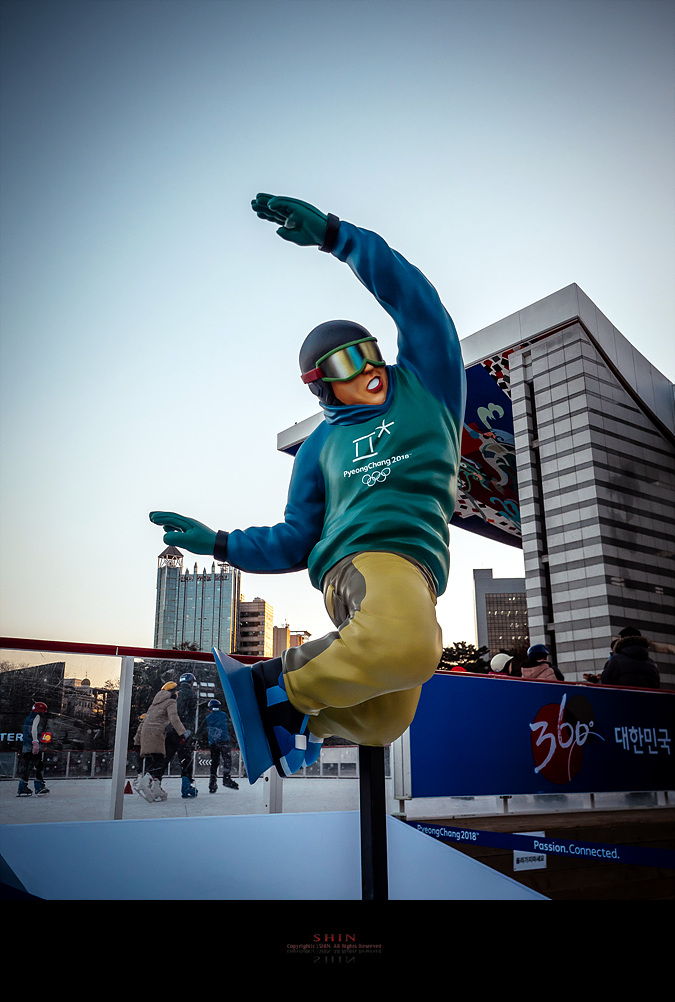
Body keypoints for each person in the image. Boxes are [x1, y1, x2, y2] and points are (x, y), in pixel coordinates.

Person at [150, 192, 466, 784]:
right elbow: (295, 539)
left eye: (368, 353)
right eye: (346, 366)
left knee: (384, 720)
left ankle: (302, 721)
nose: (367, 370)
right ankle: (274, 685)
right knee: (409, 648)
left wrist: (339, 237)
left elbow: (418, 303)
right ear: (321, 386)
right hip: (360, 562)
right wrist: (218, 543)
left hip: (416, 573)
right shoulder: (319, 448)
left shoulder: (427, 384)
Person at [137, 681, 187, 802]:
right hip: (156, 732)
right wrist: (182, 733)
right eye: (177, 692)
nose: (178, 694)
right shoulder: (170, 701)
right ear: (172, 692)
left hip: (146, 733)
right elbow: (174, 718)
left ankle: (156, 788)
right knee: (160, 761)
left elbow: (145, 721)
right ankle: (145, 781)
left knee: (156, 759)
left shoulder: (154, 704)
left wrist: (137, 740)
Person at [163, 672, 199, 798]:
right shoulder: (191, 695)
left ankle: (154, 781)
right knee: (186, 759)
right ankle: (186, 786)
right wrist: (188, 731)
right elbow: (190, 715)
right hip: (183, 730)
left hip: (171, 729)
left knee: (166, 757)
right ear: (191, 682)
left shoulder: (175, 694)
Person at [197, 698, 239, 791]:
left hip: (214, 742)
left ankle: (212, 782)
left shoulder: (208, 717)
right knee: (227, 760)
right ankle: (226, 778)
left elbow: (201, 729)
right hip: (224, 741)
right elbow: (231, 725)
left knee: (215, 762)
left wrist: (195, 737)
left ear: (210, 708)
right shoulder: (224, 715)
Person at [16, 701, 50, 797]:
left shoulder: (29, 717)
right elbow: (34, 729)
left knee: (26, 766)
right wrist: (35, 742)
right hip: (33, 745)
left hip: (26, 745)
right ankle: (39, 786)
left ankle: (22, 787)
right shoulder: (37, 716)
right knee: (38, 765)